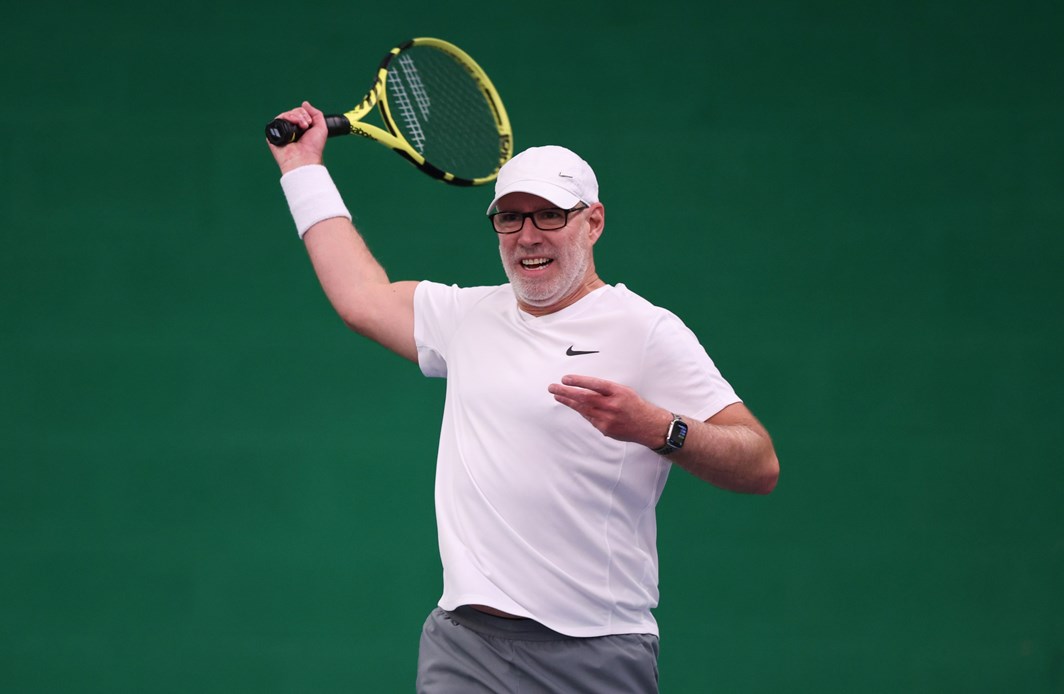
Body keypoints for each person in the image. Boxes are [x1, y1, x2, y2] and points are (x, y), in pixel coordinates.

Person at [268, 101, 779, 693]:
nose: (528, 236)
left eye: (550, 216)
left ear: (594, 223)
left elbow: (759, 463)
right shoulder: (466, 316)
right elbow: (361, 296)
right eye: (510, 218)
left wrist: (656, 427)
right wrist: (302, 167)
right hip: (466, 644)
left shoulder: (647, 331)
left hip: (597, 648)